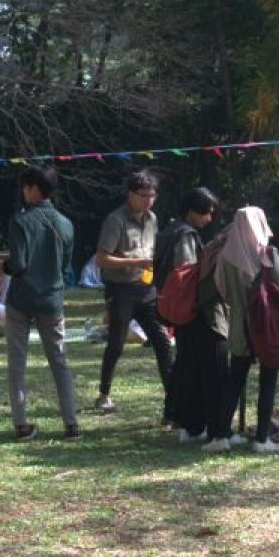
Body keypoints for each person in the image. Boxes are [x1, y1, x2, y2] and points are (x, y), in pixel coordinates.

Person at [3, 164, 80, 442]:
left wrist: (4, 267)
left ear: (34, 188)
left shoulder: (20, 221)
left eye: (25, 187)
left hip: (21, 300)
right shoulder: (66, 223)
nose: (24, 192)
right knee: (59, 361)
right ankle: (71, 422)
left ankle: (22, 424)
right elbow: (66, 267)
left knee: (17, 362)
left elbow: (18, 263)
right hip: (52, 300)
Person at [202, 206, 279, 454]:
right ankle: (262, 439)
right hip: (267, 327)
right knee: (268, 380)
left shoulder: (226, 257)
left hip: (239, 324)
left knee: (234, 380)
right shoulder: (269, 253)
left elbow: (222, 289)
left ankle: (220, 435)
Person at [94, 170, 174, 417]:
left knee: (162, 341)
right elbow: (102, 259)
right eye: (144, 196)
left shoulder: (152, 218)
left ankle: (173, 398)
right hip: (121, 289)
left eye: (153, 195)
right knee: (116, 343)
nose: (149, 200)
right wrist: (136, 261)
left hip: (147, 289)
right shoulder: (115, 220)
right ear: (131, 195)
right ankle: (104, 394)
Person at [155, 187, 220, 441]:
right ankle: (180, 417)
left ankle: (173, 415)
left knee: (182, 361)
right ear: (192, 210)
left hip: (167, 303)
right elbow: (186, 274)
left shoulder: (168, 230)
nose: (209, 219)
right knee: (188, 364)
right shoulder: (185, 235)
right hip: (185, 306)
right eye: (206, 213)